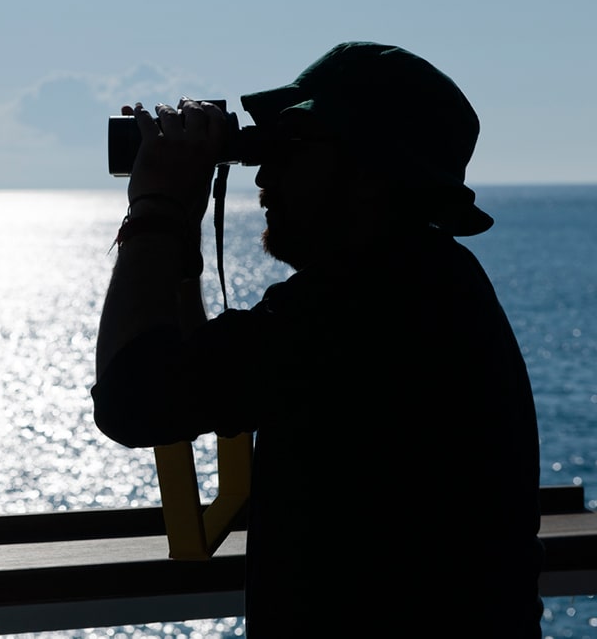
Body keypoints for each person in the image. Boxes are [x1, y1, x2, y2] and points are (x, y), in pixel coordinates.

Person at [91, 42, 543, 636]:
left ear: (373, 173)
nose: (265, 173)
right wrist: (180, 244)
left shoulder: (364, 308)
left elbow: (135, 401)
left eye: (293, 146)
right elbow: (195, 380)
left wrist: (157, 209)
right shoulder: (426, 283)